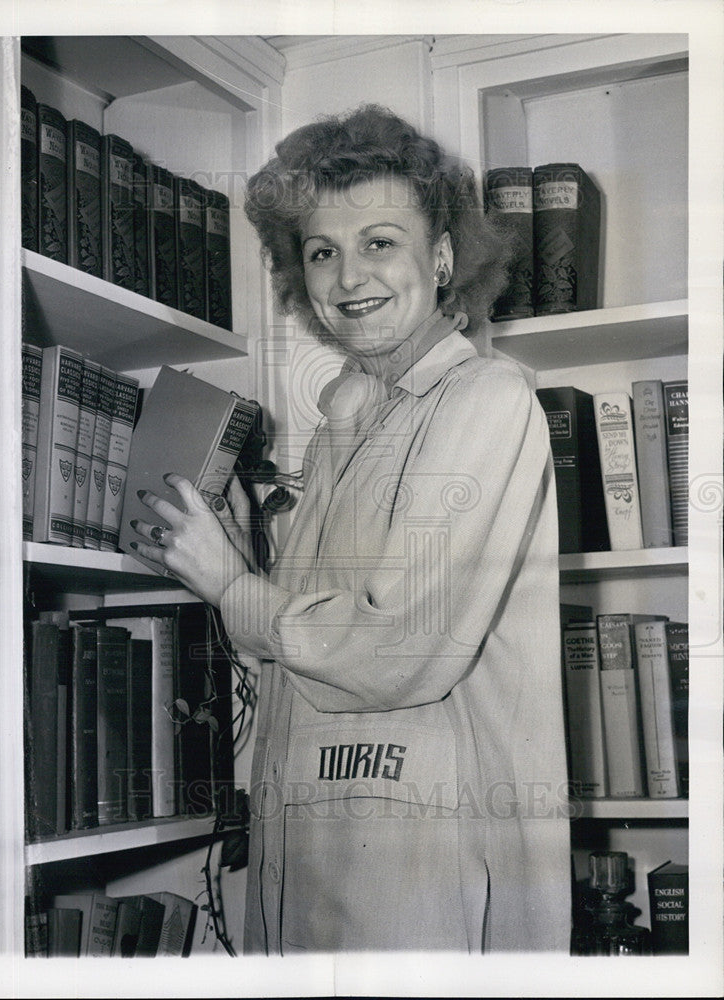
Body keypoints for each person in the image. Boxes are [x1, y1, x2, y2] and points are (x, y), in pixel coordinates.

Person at [130, 104, 571, 954]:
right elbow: (299, 642)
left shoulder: (487, 400)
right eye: (321, 251)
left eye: (380, 242)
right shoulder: (343, 417)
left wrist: (234, 588)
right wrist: (233, 558)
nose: (346, 276)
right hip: (308, 860)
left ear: (442, 257)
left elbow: (395, 648)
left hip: (426, 879)